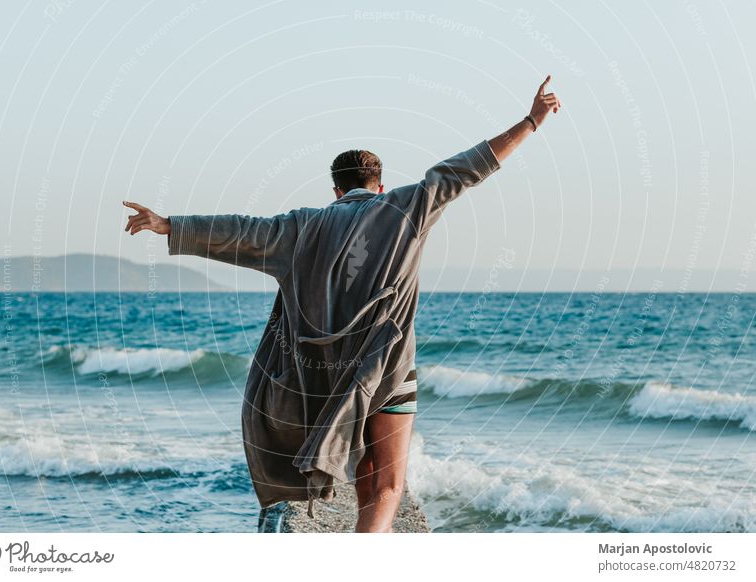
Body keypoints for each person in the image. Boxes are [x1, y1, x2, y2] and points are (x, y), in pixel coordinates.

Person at [124, 75, 560, 532]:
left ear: (335, 190)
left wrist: (169, 224)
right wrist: (531, 121)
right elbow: (468, 167)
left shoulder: (299, 228)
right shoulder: (408, 206)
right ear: (379, 184)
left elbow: (240, 232)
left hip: (327, 381)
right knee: (387, 484)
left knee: (364, 478)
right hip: (389, 372)